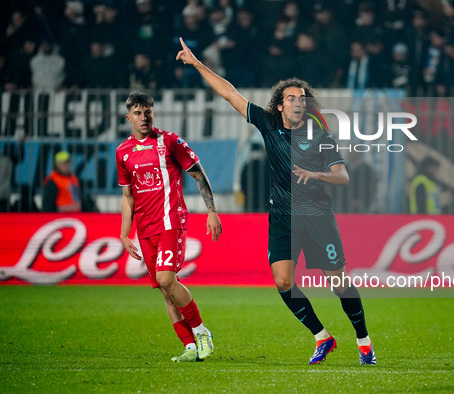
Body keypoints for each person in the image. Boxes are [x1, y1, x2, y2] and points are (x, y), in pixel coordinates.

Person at [176, 37, 376, 365]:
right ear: (279, 106)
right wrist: (198, 64)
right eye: (291, 98)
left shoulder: (320, 135)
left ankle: (364, 341)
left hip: (317, 217)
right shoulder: (268, 124)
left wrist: (318, 176)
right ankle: (322, 337)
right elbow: (229, 93)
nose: (297, 103)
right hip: (282, 216)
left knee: (338, 283)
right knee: (283, 281)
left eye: (302, 98)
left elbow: (342, 176)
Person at [116, 92, 222, 362]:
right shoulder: (123, 152)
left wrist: (212, 210)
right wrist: (124, 234)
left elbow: (198, 173)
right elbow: (127, 197)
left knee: (166, 280)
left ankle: (201, 331)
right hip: (145, 228)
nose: (144, 117)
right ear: (129, 117)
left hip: (170, 221)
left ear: (154, 113)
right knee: (165, 291)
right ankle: (189, 346)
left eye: (148, 111)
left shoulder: (170, 141)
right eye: (138, 113)